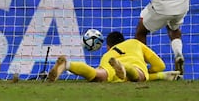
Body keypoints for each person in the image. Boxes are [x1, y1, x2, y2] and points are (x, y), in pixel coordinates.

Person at [48, 31, 180, 83]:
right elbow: (160, 66)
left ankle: (68, 65)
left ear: (108, 46)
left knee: (97, 74)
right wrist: (149, 71)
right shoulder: (135, 43)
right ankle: (125, 67)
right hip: (133, 65)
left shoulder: (107, 55)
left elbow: (96, 72)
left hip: (110, 64)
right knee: (138, 76)